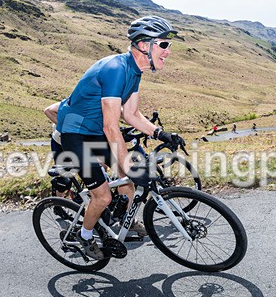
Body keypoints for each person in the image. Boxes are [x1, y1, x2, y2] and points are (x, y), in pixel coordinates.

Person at [55, 15, 184, 260]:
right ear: (144, 45)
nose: (168, 51)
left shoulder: (135, 72)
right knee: (103, 195)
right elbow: (111, 127)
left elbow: (132, 114)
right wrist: (127, 166)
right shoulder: (116, 69)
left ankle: (125, 220)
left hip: (94, 134)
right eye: (164, 45)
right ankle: (83, 236)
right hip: (76, 135)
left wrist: (159, 133)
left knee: (128, 184)